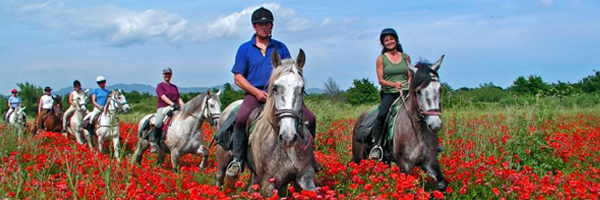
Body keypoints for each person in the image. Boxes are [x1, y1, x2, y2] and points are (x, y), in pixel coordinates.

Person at [226, 7, 317, 177]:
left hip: (281, 95)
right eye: (260, 24)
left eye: (267, 24)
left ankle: (309, 157)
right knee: (240, 119)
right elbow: (238, 77)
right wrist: (256, 92)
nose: (264, 27)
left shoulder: (281, 47)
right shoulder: (245, 49)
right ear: (254, 27)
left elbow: (291, 70)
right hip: (255, 95)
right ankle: (238, 159)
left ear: (272, 25)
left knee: (310, 118)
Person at [369, 28, 412, 160]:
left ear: (396, 40)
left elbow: (410, 75)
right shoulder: (381, 59)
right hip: (390, 93)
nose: (389, 42)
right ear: (383, 43)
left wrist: (409, 85)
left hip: (406, 93)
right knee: (381, 115)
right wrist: (393, 84)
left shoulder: (406, 57)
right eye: (386, 40)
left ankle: (430, 144)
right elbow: (380, 80)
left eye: (391, 39)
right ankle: (377, 146)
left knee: (423, 111)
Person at [150, 67, 184, 153]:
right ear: (163, 75)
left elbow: (178, 98)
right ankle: (154, 142)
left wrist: (184, 106)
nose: (167, 75)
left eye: (168, 74)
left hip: (174, 107)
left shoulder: (174, 87)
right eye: (165, 74)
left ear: (171, 75)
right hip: (163, 107)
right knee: (158, 122)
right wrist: (173, 104)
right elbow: (163, 97)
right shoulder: (160, 86)